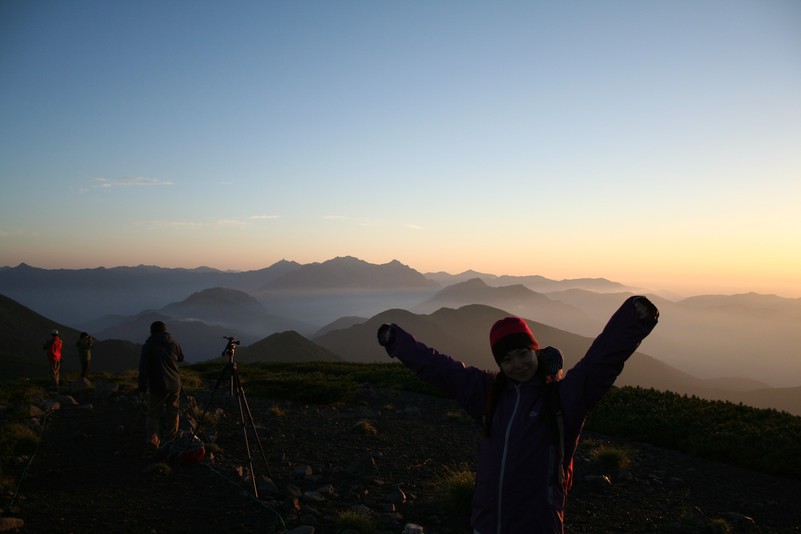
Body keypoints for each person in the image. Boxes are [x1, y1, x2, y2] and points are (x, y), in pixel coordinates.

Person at [377, 295, 659, 534]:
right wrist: (397, 342)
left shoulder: (563, 398)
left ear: (536, 351)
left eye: (523, 353)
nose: (518, 364)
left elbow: (601, 362)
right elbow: (441, 368)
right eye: (507, 359)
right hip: (486, 523)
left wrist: (633, 320)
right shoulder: (490, 393)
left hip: (537, 524)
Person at [138, 320, 185, 452]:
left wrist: (142, 387)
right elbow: (181, 358)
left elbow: (143, 369)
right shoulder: (174, 343)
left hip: (157, 385)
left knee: (153, 414)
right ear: (165, 330)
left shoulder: (148, 346)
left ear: (152, 331)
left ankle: (153, 442)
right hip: (175, 384)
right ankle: (170, 440)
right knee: (173, 413)